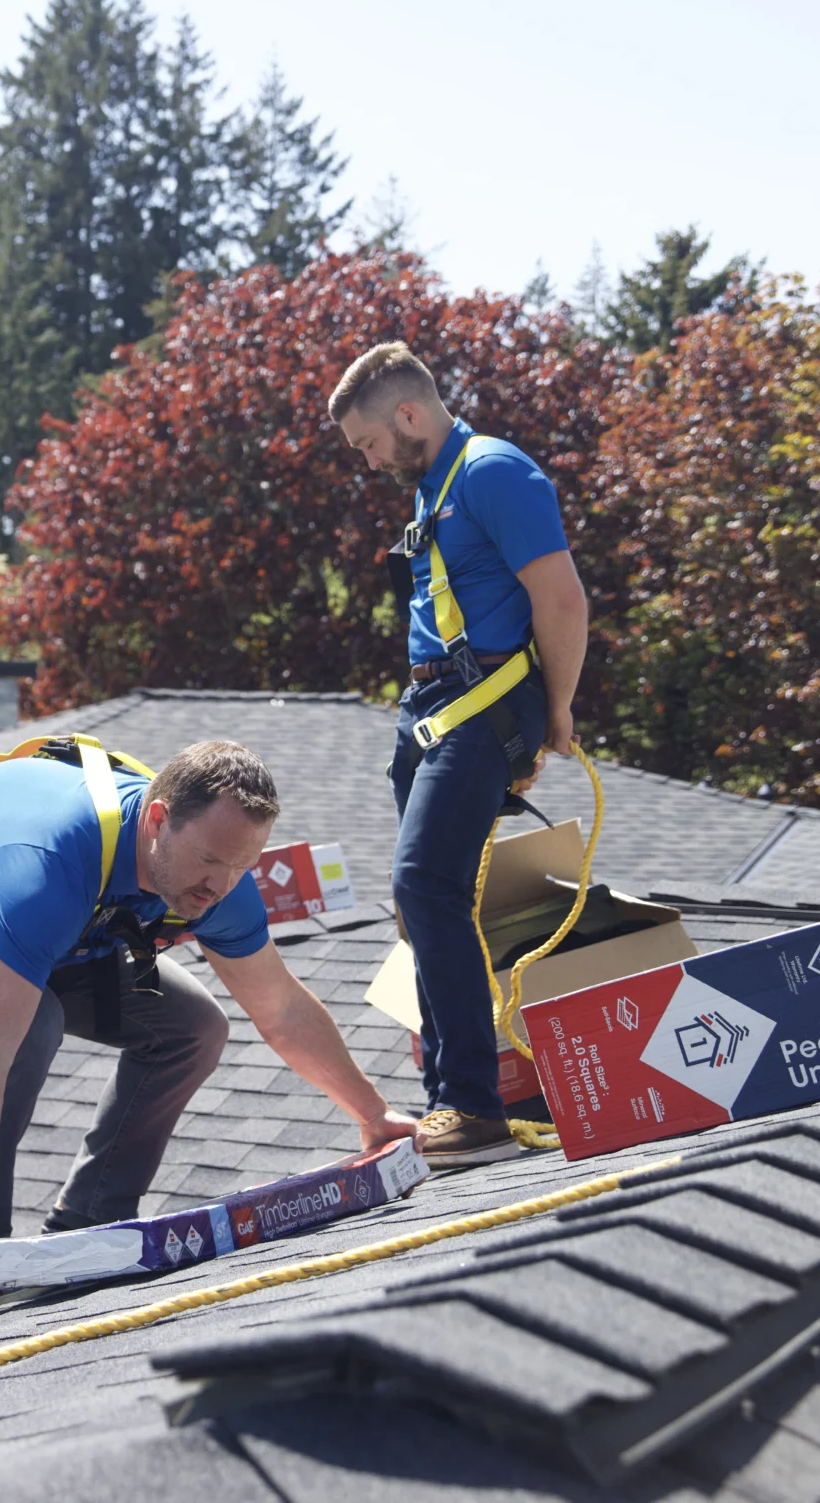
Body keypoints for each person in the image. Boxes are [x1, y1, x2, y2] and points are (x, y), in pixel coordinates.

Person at [0, 737, 417, 1312]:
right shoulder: (46, 865)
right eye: (210, 861)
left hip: (70, 933)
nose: (219, 887)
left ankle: (92, 1221)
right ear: (158, 820)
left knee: (194, 1027)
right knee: (29, 1027)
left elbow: (282, 1009)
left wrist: (374, 1114)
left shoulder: (219, 882)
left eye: (243, 865)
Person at [327, 342, 590, 1168]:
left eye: (368, 443)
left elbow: (560, 597)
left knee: (424, 884)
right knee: (422, 903)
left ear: (408, 414)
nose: (368, 462)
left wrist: (553, 714)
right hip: (433, 713)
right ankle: (451, 1090)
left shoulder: (492, 472)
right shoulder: (434, 487)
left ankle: (471, 1104)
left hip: (481, 707)